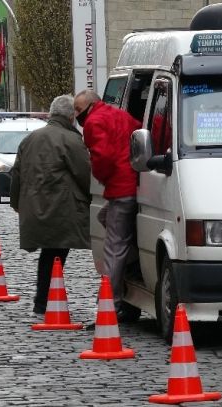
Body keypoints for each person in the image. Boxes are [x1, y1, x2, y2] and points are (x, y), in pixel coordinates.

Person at [9, 94, 91, 315]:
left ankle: (43, 300)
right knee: (55, 254)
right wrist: (93, 200)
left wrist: (16, 203)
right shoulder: (71, 140)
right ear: (71, 116)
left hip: (35, 207)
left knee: (50, 253)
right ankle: (44, 301)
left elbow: (16, 174)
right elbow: (85, 174)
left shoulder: (30, 139)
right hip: (61, 208)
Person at [74, 89, 142, 322]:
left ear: (90, 106)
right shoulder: (120, 115)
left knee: (114, 248)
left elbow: (102, 157)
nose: (76, 115)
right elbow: (141, 129)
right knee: (106, 219)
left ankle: (110, 303)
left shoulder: (94, 122)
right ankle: (133, 260)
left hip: (120, 187)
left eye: (78, 110)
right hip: (133, 184)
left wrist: (102, 177)